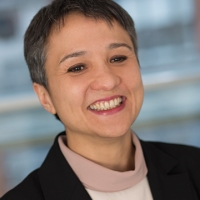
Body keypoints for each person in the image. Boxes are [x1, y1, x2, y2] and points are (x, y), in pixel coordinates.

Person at [1, 0, 200, 199]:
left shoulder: (195, 167)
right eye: (77, 67)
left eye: (118, 58)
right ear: (45, 98)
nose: (108, 81)